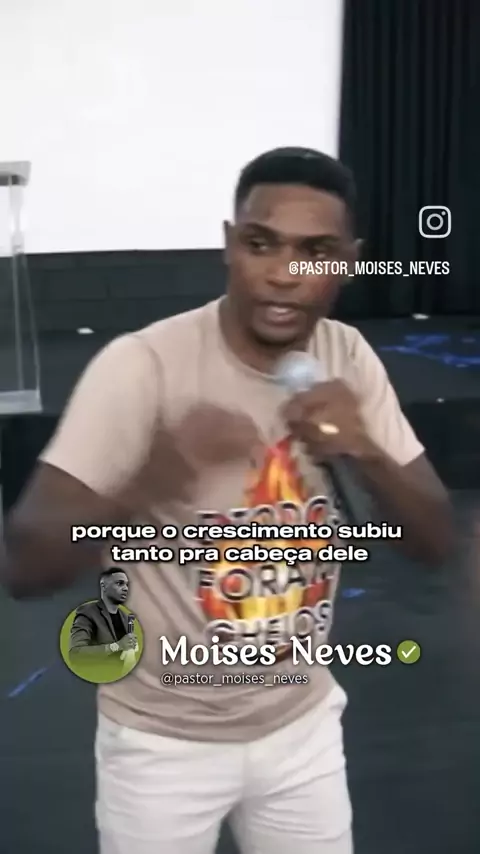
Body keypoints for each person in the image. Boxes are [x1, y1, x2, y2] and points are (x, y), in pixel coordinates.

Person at [0, 147, 454, 854]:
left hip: (302, 729)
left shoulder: (347, 358)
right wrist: (155, 475)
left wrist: (363, 447)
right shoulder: (144, 366)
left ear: (348, 262)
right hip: (161, 745)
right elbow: (25, 566)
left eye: (315, 251)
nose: (283, 273)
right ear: (228, 245)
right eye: (261, 243)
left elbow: (436, 542)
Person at [69, 568, 137, 660]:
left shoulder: (125, 617)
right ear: (103, 586)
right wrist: (117, 646)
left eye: (126, 584)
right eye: (119, 583)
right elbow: (76, 654)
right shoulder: (88, 612)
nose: (125, 588)